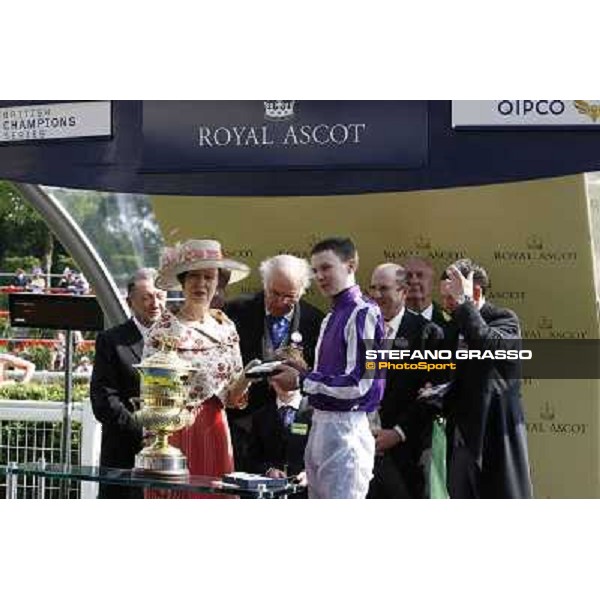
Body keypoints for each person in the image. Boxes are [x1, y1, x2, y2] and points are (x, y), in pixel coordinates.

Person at [271, 237, 385, 499]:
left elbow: (362, 384)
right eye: (315, 270)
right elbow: (328, 378)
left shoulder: (365, 312)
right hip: (319, 427)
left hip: (348, 431)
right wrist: (300, 370)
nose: (320, 276)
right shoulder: (331, 317)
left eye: (326, 267)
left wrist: (302, 380)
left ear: (351, 265)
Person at [144, 239, 254, 498]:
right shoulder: (163, 330)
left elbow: (235, 399)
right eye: (194, 276)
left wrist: (248, 377)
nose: (201, 283)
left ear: (219, 282)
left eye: (209, 276)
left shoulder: (226, 327)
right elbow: (152, 400)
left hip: (216, 428)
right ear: (182, 281)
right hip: (174, 432)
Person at [439, 258, 533, 499]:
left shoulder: (505, 320)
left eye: (451, 297)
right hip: (461, 443)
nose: (446, 304)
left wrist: (465, 304)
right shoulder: (454, 326)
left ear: (475, 292)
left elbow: (488, 345)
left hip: (493, 438)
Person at [225, 254, 324, 470]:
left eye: (289, 296)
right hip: (243, 430)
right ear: (264, 283)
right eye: (274, 293)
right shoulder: (235, 313)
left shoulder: (316, 322)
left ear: (302, 291)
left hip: (296, 432)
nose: (280, 302)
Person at [367, 263, 444, 498]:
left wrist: (398, 432)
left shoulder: (428, 334)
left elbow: (432, 396)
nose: (377, 295)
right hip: (359, 451)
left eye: (384, 289)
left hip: (404, 456)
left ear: (403, 291)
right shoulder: (360, 327)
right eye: (373, 288)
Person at [90, 268, 167, 499]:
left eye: (160, 296)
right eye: (146, 297)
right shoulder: (111, 341)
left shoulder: (181, 339)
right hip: (124, 458)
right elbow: (104, 400)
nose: (155, 303)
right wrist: (143, 430)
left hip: (171, 461)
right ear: (130, 302)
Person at [247, 380, 311, 495]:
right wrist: (269, 470)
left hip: (308, 492)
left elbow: (326, 454)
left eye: (289, 376)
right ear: (271, 381)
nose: (286, 381)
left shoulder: (316, 413)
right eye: (281, 376)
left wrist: (309, 473)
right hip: (271, 493)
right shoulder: (261, 416)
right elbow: (251, 458)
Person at [404, 257, 447, 326]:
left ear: (433, 282)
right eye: (408, 276)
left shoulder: (452, 321)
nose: (413, 281)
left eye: (420, 275)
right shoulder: (385, 321)